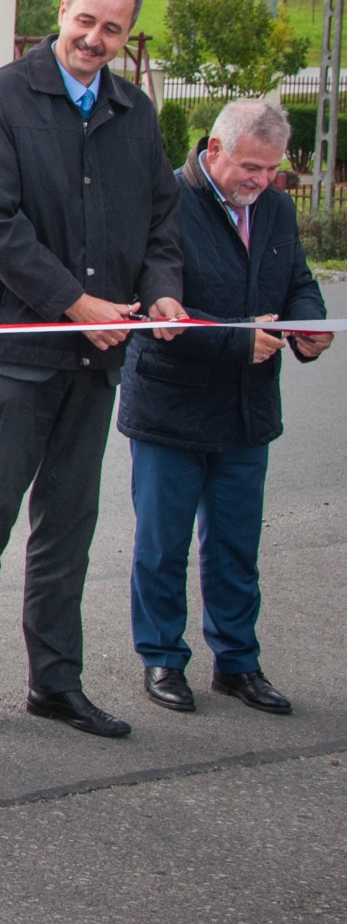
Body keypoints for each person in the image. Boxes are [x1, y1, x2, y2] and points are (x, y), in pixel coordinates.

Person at [0, 0, 187, 741]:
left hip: (98, 354)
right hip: (17, 348)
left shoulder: (133, 112)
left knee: (69, 524)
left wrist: (165, 288)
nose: (95, 38)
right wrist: (76, 305)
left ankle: (54, 681)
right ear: (62, 11)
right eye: (86, 20)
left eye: (113, 28)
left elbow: (159, 224)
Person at [121, 101, 330, 717]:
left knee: (236, 545)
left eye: (270, 170)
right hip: (171, 407)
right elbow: (150, 307)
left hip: (247, 410)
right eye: (249, 166)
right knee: (163, 544)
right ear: (213, 149)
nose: (260, 181)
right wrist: (235, 337)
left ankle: (237, 662)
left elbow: (300, 283)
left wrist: (309, 328)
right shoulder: (168, 207)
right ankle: (162, 657)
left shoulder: (277, 208)